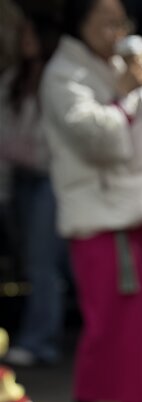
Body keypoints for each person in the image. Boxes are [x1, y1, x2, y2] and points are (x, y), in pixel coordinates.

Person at [41, 0, 142, 402]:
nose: (115, 31)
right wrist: (124, 95)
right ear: (79, 23)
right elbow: (93, 138)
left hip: (139, 203)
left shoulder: (120, 62)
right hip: (99, 212)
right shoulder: (62, 73)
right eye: (105, 23)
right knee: (107, 317)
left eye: (119, 22)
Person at [0, 12, 66, 367]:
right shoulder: (12, 81)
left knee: (43, 263)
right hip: (19, 180)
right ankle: (43, 335)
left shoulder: (56, 81)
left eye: (29, 34)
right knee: (34, 262)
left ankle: (40, 338)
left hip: (49, 179)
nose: (22, 41)